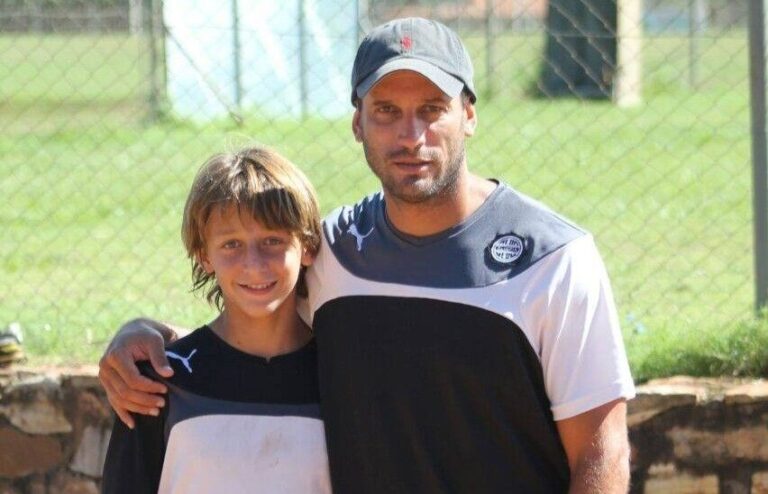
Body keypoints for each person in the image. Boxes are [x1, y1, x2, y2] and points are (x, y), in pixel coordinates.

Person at [99, 17, 635, 493]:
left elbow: (601, 454)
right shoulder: (333, 251)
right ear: (358, 123)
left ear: (469, 115)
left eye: (432, 110)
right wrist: (143, 335)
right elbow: (254, 311)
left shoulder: (554, 259)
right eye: (386, 111)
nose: (411, 135)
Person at [100, 147, 331, 493]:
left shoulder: (342, 377)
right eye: (231, 244)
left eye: (272, 240)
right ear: (203, 255)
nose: (254, 264)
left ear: (308, 246)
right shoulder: (158, 384)